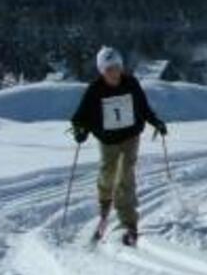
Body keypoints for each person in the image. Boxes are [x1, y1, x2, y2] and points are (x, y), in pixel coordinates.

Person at [70, 46, 167, 246]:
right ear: (101, 70)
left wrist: (156, 122)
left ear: (121, 67)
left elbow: (144, 108)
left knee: (125, 176)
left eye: (116, 68)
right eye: (108, 69)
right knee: (107, 172)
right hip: (107, 140)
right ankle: (105, 202)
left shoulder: (131, 83)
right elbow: (80, 117)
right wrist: (80, 131)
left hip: (130, 137)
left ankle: (128, 223)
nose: (113, 73)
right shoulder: (94, 90)